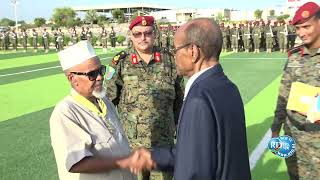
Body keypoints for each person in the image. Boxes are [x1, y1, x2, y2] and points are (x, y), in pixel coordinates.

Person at [132, 18, 251, 180]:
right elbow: (200, 152)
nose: (174, 56)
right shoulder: (229, 87)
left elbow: (193, 171)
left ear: (193, 52)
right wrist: (153, 157)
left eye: (176, 50)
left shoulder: (198, 99)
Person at [105, 16, 184, 180]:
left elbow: (179, 101)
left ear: (154, 33)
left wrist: (180, 131)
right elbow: (109, 102)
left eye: (147, 33)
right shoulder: (121, 62)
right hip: (133, 145)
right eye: (137, 34)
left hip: (163, 143)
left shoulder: (170, 59)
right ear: (131, 35)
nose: (143, 38)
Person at [50, 40, 141, 180]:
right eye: (92, 74)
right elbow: (77, 163)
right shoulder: (66, 112)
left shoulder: (104, 102)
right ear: (72, 79)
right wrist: (124, 162)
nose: (100, 77)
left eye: (101, 70)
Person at [270, 2, 320, 179]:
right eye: (298, 28)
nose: (301, 33)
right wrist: (276, 128)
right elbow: (283, 95)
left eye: (307, 26)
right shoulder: (294, 56)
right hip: (292, 137)